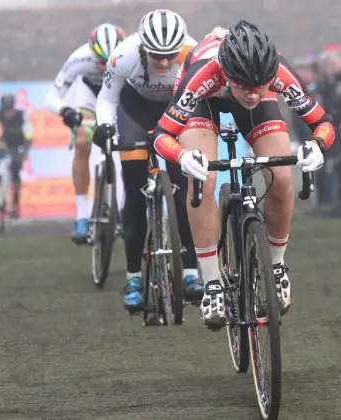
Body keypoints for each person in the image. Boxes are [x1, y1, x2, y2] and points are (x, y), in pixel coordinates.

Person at [151, 21, 335, 329]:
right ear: (227, 73)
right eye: (245, 87)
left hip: (242, 90)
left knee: (282, 177)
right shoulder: (204, 73)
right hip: (205, 103)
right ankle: (211, 282)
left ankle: (276, 267)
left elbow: (323, 122)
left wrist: (317, 145)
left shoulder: (275, 72)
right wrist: (182, 156)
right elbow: (161, 134)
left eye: (260, 87)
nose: (252, 94)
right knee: (204, 179)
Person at [90, 9, 203, 312]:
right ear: (142, 47)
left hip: (175, 109)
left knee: (183, 191)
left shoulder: (193, 52)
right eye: (156, 56)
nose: (164, 63)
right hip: (134, 110)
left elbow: (206, 93)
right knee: (136, 192)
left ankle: (191, 270)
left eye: (170, 55)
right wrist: (104, 125)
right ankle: (134, 277)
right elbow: (107, 99)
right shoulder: (123, 55)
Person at [46, 23, 126, 243]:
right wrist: (66, 112)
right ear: (92, 53)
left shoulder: (132, 55)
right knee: (82, 141)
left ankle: (124, 209)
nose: (105, 67)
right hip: (90, 96)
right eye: (100, 62)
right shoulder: (80, 58)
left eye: (110, 62)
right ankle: (82, 215)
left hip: (119, 97)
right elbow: (51, 97)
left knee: (130, 147)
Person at [0, 93, 33, 218]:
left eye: (9, 110)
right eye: (5, 110)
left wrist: (25, 150)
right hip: (5, 143)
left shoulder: (22, 115)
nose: (7, 113)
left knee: (15, 174)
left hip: (19, 144)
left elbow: (29, 133)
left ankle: (15, 205)